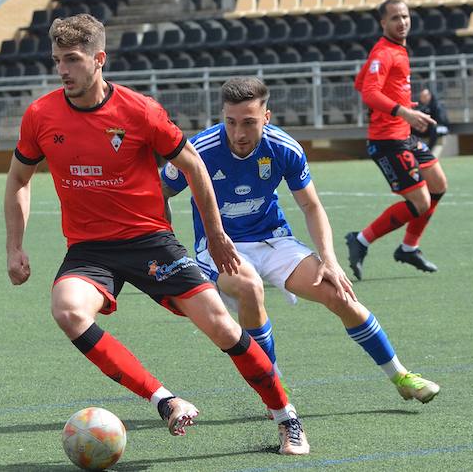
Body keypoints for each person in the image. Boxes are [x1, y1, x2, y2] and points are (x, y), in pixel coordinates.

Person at [3, 14, 309, 455]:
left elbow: (193, 166)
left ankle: (287, 417)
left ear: (99, 59)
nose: (63, 70)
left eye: (72, 59)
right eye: (56, 61)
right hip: (89, 249)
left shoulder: (140, 111)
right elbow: (18, 180)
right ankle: (163, 400)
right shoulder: (40, 115)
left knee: (222, 326)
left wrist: (218, 234)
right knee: (68, 310)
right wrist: (15, 247)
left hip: (150, 240)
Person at [160, 76, 440, 415]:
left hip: (274, 239)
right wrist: (167, 247)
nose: (239, 133)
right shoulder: (199, 150)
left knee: (339, 293)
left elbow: (311, 206)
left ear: (267, 116)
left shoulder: (284, 148)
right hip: (219, 247)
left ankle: (401, 376)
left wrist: (329, 259)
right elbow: (160, 193)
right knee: (249, 287)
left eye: (249, 122)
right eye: (230, 122)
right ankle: (274, 387)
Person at [345, 0, 449, 281]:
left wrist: (401, 100)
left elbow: (360, 82)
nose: (401, 22)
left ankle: (409, 247)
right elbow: (368, 92)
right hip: (387, 140)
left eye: (404, 16)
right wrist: (402, 110)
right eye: (394, 18)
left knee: (438, 183)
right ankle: (361, 240)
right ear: (383, 23)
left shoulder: (395, 50)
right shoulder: (384, 53)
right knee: (419, 202)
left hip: (404, 134)